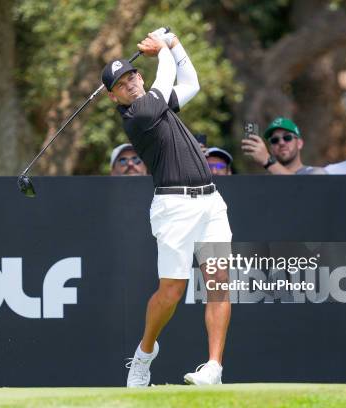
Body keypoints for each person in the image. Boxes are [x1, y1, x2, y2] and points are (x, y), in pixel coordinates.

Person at [101, 28, 232, 387]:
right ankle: (144, 353)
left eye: (131, 75)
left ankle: (214, 368)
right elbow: (168, 75)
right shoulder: (139, 115)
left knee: (219, 284)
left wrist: (175, 44)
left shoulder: (159, 105)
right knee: (171, 290)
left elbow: (191, 82)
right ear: (114, 98)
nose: (129, 84)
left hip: (211, 203)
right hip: (174, 207)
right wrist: (162, 50)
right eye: (121, 84)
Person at [241, 117, 326, 174]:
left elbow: (301, 188)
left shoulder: (316, 173)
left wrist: (267, 160)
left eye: (287, 137)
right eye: (275, 140)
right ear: (271, 149)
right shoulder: (266, 181)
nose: (281, 143)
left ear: (299, 143)